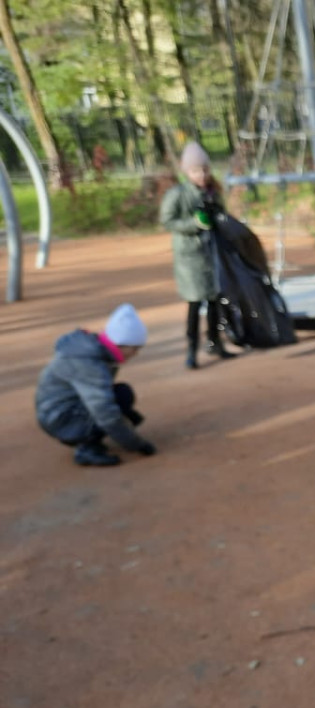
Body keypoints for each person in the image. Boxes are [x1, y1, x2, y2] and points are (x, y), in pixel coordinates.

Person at [35, 303, 157, 467]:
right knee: (111, 406)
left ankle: (90, 437)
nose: (136, 354)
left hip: (59, 411)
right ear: (121, 344)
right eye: (135, 348)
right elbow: (105, 411)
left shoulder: (95, 350)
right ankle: (86, 449)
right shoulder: (91, 365)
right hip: (60, 419)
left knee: (122, 393)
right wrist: (136, 444)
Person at [160, 141, 235, 370]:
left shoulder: (213, 192)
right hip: (190, 259)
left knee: (215, 302)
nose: (201, 174)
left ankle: (215, 343)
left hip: (213, 254)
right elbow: (167, 221)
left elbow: (221, 216)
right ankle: (191, 351)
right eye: (195, 171)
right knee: (195, 304)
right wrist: (193, 223)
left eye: (204, 169)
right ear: (186, 172)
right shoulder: (178, 194)